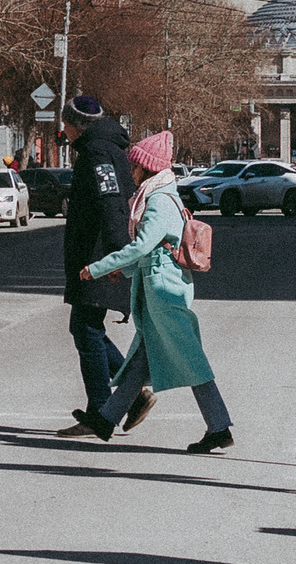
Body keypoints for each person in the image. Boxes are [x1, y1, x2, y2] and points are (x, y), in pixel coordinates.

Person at [74, 129, 234, 453]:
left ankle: (219, 426)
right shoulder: (161, 196)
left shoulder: (159, 201)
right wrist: (126, 271)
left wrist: (100, 267)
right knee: (141, 363)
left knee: (191, 360)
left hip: (165, 295)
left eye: (135, 168)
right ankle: (106, 419)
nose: (131, 174)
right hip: (159, 289)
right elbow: (154, 252)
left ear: (147, 169)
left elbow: (142, 246)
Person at [52, 95, 134, 440]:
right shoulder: (105, 147)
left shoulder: (98, 152)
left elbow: (111, 201)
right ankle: (130, 391)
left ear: (77, 124)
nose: (64, 130)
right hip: (98, 253)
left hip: (99, 255)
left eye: (66, 124)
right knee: (87, 328)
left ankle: (102, 408)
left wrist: (117, 258)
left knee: (85, 329)